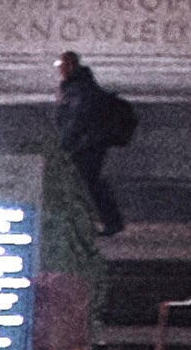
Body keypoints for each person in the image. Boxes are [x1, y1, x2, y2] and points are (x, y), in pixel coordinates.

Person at [50, 49, 137, 239]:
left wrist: (66, 143)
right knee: (89, 183)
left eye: (62, 65)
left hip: (86, 144)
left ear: (70, 66)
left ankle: (106, 221)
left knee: (87, 183)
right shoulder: (76, 85)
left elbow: (76, 119)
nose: (60, 69)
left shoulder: (79, 88)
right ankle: (108, 221)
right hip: (87, 142)